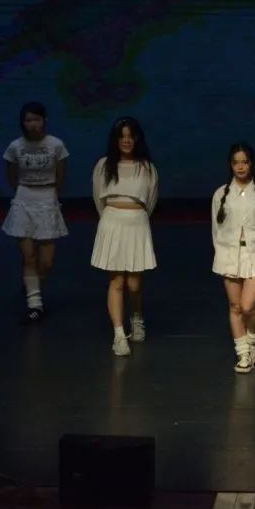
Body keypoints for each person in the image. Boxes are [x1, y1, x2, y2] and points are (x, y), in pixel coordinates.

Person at [90, 116, 159, 357]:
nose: (126, 141)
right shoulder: (103, 165)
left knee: (134, 283)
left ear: (137, 139)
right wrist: (110, 220)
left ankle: (137, 316)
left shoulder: (147, 167)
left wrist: (137, 217)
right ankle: (119, 335)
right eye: (122, 136)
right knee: (117, 281)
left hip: (137, 223)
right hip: (112, 222)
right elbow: (98, 198)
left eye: (131, 136)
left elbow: (151, 201)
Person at [1, 101, 69, 321]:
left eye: (36, 119)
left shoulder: (56, 145)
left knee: (46, 262)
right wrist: (22, 192)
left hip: (47, 199)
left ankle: (32, 285)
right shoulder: (15, 146)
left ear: (44, 120)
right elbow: (12, 174)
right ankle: (35, 304)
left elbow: (61, 175)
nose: (32, 124)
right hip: (24, 199)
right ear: (23, 122)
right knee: (28, 256)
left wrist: (53, 195)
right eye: (28, 120)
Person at [212, 143, 255, 371]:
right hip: (229, 254)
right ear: (230, 165)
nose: (240, 167)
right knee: (235, 306)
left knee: (248, 306)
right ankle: (243, 354)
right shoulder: (221, 194)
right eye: (236, 162)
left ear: (252, 164)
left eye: (245, 162)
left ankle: (254, 338)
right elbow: (216, 231)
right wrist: (222, 254)